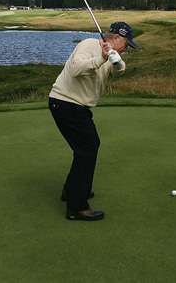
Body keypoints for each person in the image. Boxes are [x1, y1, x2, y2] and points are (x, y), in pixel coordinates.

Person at [48, 21, 138, 221]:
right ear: (117, 38)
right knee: (87, 149)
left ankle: (72, 191)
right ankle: (77, 207)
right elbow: (76, 70)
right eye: (126, 45)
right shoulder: (88, 45)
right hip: (65, 103)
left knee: (87, 147)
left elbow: (120, 68)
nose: (127, 50)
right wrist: (101, 57)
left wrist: (114, 57)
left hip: (76, 107)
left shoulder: (111, 53)